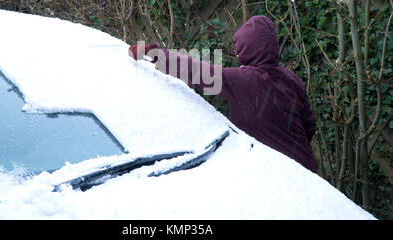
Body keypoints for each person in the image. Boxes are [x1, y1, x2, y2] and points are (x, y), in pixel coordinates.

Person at [128, 15, 317, 172]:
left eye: (239, 49)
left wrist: (153, 53)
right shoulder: (291, 79)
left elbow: (195, 71)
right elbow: (309, 126)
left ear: (247, 49)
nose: (236, 55)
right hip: (308, 170)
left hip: (283, 175)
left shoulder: (244, 81)